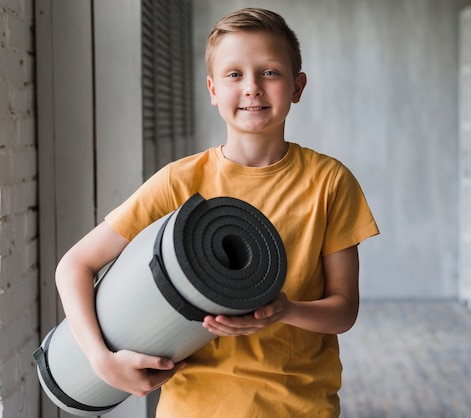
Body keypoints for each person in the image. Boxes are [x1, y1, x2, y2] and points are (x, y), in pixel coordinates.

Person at [55, 7, 379, 418]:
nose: (252, 88)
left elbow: (344, 311)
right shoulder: (179, 181)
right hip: (192, 408)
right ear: (212, 89)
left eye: (271, 72)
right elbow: (74, 266)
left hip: (299, 407)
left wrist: (286, 310)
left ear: (297, 87)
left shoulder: (330, 182)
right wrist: (102, 360)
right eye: (234, 74)